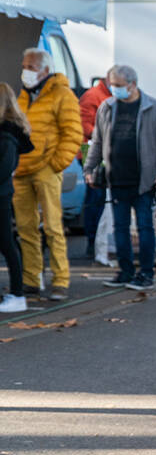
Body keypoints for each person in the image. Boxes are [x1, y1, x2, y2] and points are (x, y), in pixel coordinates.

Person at [84, 65, 156, 291]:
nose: (114, 90)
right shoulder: (107, 107)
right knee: (120, 227)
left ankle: (145, 273)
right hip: (116, 179)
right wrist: (89, 168)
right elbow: (97, 142)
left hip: (144, 181)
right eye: (112, 85)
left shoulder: (153, 108)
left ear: (132, 84)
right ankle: (125, 271)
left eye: (118, 86)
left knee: (145, 227)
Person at [14, 48, 82, 300]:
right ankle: (31, 279)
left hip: (46, 168)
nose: (26, 70)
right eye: (24, 65)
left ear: (44, 69)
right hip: (20, 169)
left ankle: (60, 280)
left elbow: (73, 132)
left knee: (53, 226)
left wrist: (56, 164)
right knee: (25, 227)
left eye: (30, 66)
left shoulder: (62, 94)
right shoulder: (19, 94)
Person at [0, 84, 34, 312]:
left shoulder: (7, 135)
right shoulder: (8, 133)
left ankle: (17, 294)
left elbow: (3, 169)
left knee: (7, 244)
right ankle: (16, 293)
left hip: (1, 195)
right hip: (3, 193)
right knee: (6, 244)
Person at [79, 76, 112, 259]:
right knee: (95, 198)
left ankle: (99, 240)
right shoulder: (93, 97)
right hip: (91, 152)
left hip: (105, 153)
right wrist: (107, 137)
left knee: (100, 199)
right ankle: (92, 241)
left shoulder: (108, 96)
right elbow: (85, 126)